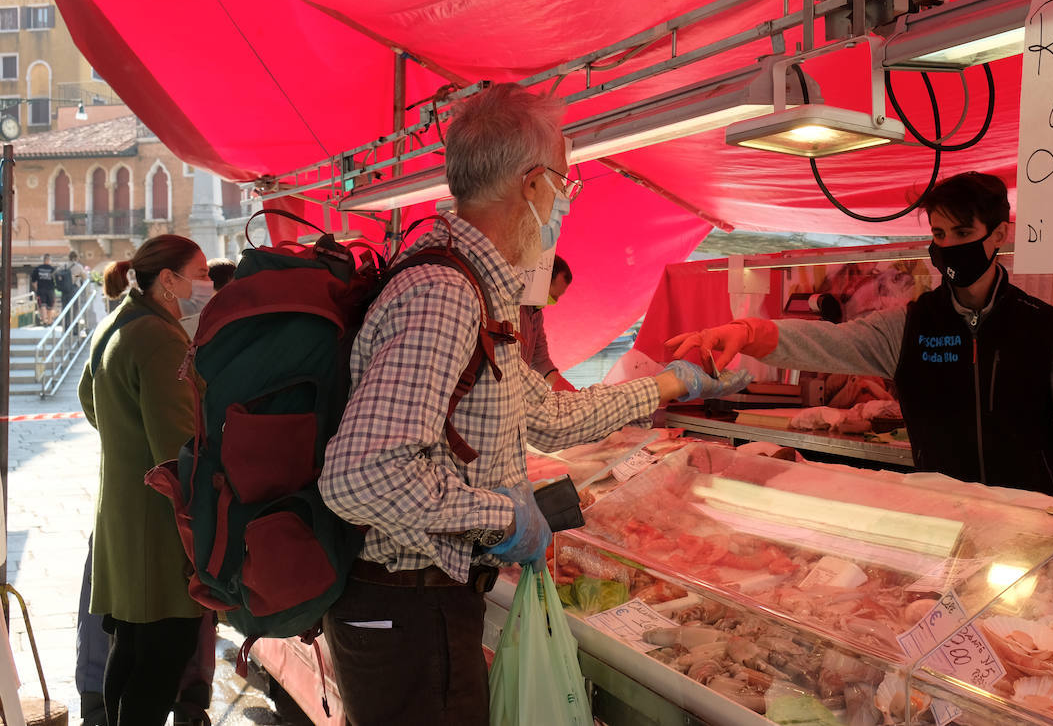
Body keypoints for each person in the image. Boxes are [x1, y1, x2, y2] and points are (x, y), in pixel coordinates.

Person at [317, 83, 745, 726]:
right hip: (403, 610)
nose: (564, 204)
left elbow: (548, 415)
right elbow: (360, 476)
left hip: (429, 606)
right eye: (566, 185)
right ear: (534, 183)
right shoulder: (444, 293)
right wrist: (500, 516)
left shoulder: (480, 292)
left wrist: (672, 385)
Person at [669, 171, 1053, 508]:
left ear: (999, 234)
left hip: (1033, 517)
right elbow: (827, 343)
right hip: (940, 518)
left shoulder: (1046, 327)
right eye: (939, 234)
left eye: (962, 233)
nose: (948, 246)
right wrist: (749, 331)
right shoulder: (908, 325)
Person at [79, 235, 215, 726]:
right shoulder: (161, 339)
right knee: (160, 659)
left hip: (120, 511)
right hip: (158, 526)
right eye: (199, 274)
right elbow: (178, 449)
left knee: (130, 647)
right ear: (168, 281)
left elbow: (90, 404)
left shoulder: (117, 322)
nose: (207, 284)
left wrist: (125, 443)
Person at [520, 254, 575, 390]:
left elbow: (540, 361)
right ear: (542, 281)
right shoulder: (515, 308)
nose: (555, 302)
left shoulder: (537, 315)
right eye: (553, 296)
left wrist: (565, 389)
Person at [30, 253, 56, 325]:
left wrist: (37, 289)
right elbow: (56, 281)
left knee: (42, 305)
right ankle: (50, 321)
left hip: (41, 289)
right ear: (49, 260)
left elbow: (33, 281)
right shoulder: (52, 269)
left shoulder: (38, 268)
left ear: (43, 260)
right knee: (50, 306)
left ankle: (44, 321)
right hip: (50, 290)